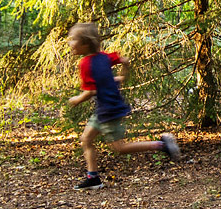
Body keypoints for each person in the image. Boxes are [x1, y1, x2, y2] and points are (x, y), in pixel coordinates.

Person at [66, 22, 181, 190]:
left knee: (120, 148)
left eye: (73, 39)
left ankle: (162, 145)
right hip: (106, 108)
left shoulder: (84, 64)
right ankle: (93, 178)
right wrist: (120, 76)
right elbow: (123, 60)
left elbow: (90, 92)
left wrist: (76, 99)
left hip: (108, 110)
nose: (70, 43)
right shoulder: (105, 57)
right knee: (86, 139)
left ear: (85, 43)